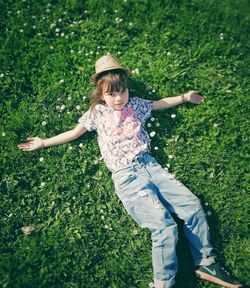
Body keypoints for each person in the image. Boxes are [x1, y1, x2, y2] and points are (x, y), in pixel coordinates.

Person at [18, 53, 243, 288]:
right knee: (163, 226)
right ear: (101, 94)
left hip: (150, 166)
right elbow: (74, 133)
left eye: (122, 91)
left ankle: (206, 262)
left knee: (192, 205)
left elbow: (160, 104)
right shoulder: (97, 113)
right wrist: (44, 142)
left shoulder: (136, 105)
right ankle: (163, 284)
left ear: (128, 89)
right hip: (127, 176)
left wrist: (184, 97)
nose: (118, 99)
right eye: (111, 94)